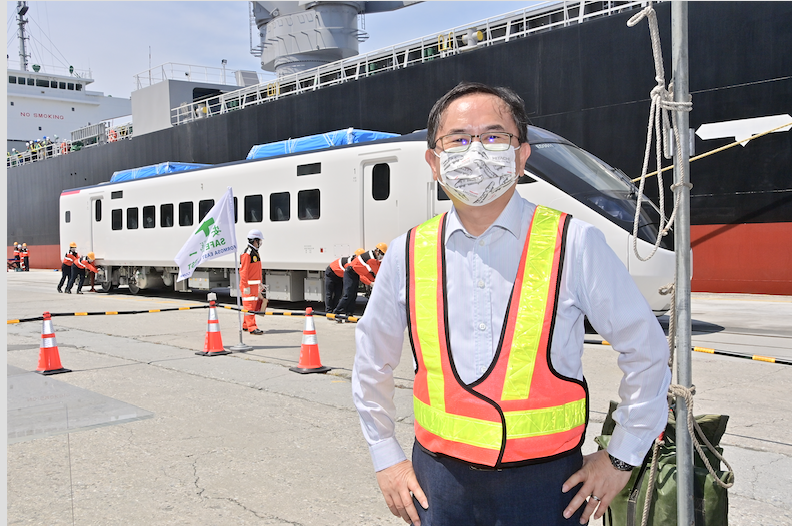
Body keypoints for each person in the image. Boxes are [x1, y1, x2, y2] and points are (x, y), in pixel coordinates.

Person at [351, 82, 671, 526]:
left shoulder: (574, 242)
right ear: (434, 161)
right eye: (458, 139)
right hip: (438, 486)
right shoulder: (408, 252)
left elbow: (646, 350)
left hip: (548, 488)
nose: (476, 151)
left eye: (494, 136)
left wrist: (621, 457)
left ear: (522, 157)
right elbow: (371, 361)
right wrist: (386, 456)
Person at [333, 243, 387, 317]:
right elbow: (377, 272)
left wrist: (373, 280)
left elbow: (367, 272)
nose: (382, 256)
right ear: (377, 251)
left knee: (353, 295)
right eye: (382, 253)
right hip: (350, 273)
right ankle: (336, 312)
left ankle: (349, 314)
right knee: (348, 295)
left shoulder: (372, 257)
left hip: (355, 274)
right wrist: (371, 283)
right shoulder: (371, 259)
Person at [240, 229, 266, 335]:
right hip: (248, 286)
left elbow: (256, 270)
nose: (260, 243)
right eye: (259, 240)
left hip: (254, 285)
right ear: (254, 241)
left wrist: (259, 283)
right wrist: (245, 285)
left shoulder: (255, 252)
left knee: (252, 306)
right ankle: (252, 327)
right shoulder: (248, 253)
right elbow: (243, 271)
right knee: (249, 307)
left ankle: (246, 325)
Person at [324, 248, 365, 313]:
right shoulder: (350, 262)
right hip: (331, 273)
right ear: (356, 256)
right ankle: (328, 311)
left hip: (340, 276)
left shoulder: (355, 262)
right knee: (329, 293)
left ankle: (335, 309)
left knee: (338, 294)